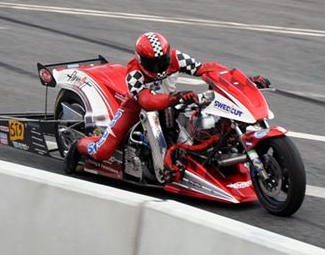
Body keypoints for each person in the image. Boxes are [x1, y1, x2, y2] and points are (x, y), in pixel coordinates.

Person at [72, 32, 270, 167]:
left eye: (162, 61)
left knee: (205, 113)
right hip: (136, 109)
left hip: (170, 103)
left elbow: (205, 69)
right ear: (141, 60)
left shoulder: (176, 58)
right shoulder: (134, 73)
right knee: (103, 151)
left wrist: (241, 80)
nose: (159, 67)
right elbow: (147, 101)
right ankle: (78, 145)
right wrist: (176, 97)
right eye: (153, 63)